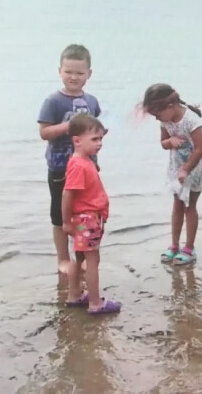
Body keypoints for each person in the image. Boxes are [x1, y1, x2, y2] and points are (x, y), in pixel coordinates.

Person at [38, 44, 101, 273]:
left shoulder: (92, 101)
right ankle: (63, 259)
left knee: (85, 213)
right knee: (59, 215)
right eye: (68, 72)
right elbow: (44, 133)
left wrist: (97, 141)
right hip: (60, 168)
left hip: (87, 168)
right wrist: (69, 126)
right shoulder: (53, 101)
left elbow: (95, 132)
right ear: (60, 71)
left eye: (79, 73)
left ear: (89, 74)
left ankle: (81, 256)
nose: (73, 77)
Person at [142, 83, 202, 265]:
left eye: (158, 115)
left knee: (190, 206)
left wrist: (186, 169)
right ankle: (174, 245)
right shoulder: (165, 120)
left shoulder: (191, 120)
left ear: (170, 106)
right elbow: (163, 143)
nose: (157, 119)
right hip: (176, 167)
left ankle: (189, 248)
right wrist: (170, 141)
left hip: (195, 168)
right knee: (177, 204)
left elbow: (200, 149)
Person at [62, 114, 120, 315]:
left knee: (79, 257)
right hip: (87, 219)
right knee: (92, 259)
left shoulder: (84, 161)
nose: (99, 143)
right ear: (77, 141)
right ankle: (95, 303)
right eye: (94, 139)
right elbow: (67, 194)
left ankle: (74, 295)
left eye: (101, 139)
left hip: (86, 219)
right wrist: (66, 222)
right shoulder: (79, 165)